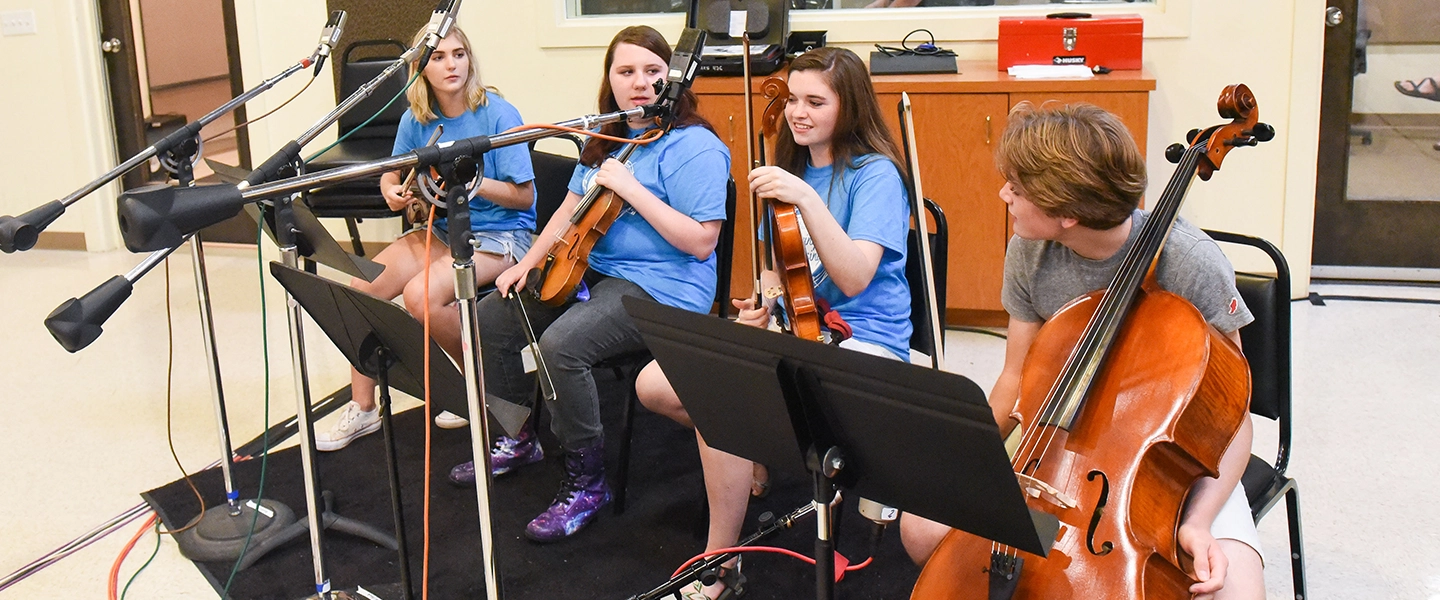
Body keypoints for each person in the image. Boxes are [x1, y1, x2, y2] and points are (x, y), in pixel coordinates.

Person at [898, 102, 1264, 600]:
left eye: (1018, 189)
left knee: (1235, 594)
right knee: (924, 529)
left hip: (1168, 456)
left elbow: (1233, 415)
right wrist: (969, 457)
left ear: (1068, 213)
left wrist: (1197, 522)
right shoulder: (1031, 247)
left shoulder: (1191, 263)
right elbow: (1014, 379)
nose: (1004, 194)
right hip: (1057, 448)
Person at [633, 46, 913, 599]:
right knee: (656, 383)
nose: (797, 112)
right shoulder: (788, 167)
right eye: (793, 99)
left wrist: (807, 197)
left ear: (849, 106)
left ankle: (719, 564)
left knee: (726, 403)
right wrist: (762, 303)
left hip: (864, 341)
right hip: (796, 331)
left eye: (816, 101)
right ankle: (755, 455)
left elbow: (855, 277)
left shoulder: (874, 174)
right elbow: (778, 267)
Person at [446, 25, 731, 543]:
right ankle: (517, 437)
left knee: (561, 346)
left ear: (674, 80)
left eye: (653, 72)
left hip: (666, 289)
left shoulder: (697, 147)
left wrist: (631, 188)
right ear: (611, 81)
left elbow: (701, 242)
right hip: (596, 272)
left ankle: (587, 479)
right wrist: (524, 263)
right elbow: (565, 214)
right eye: (626, 72)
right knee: (491, 316)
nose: (640, 83)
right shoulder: (609, 138)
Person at [317, 25, 537, 451]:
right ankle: (363, 410)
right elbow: (392, 171)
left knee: (420, 295)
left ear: (470, 60)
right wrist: (390, 189)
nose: (451, 64)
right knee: (360, 288)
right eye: (438, 57)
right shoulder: (415, 119)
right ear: (421, 68)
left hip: (502, 236)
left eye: (459, 54)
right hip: (442, 230)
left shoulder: (498, 113)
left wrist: (468, 183)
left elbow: (525, 196)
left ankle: (472, 389)